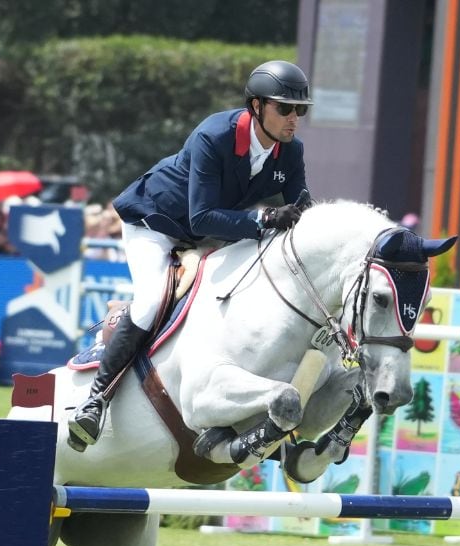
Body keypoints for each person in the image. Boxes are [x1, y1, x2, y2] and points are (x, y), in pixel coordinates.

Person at [69, 60, 313, 450]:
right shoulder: (214, 135)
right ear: (256, 107)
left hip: (209, 236)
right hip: (157, 225)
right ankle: (95, 400)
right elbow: (201, 218)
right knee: (151, 302)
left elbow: (303, 213)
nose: (294, 118)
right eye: (285, 108)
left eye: (301, 109)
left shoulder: (290, 152)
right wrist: (266, 217)